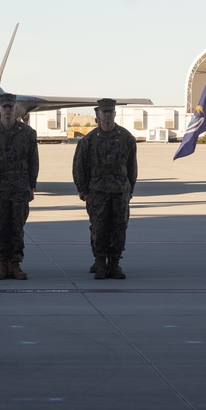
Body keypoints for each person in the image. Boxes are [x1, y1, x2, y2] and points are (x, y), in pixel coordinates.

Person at [72, 98, 138, 280]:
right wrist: (83, 190)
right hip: (97, 192)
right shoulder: (89, 140)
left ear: (115, 114)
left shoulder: (126, 138)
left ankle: (115, 263)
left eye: (110, 111)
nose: (107, 115)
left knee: (119, 227)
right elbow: (79, 167)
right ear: (98, 115)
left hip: (119, 191)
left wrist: (130, 189)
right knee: (99, 228)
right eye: (104, 112)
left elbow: (132, 166)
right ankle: (100, 262)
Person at [0, 93, 38, 280]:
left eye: (10, 107)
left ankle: (15, 264)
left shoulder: (27, 133)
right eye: (4, 107)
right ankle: (1, 263)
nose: (7, 110)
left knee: (17, 227)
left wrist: (32, 185)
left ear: (15, 109)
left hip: (20, 187)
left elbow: (33, 160)